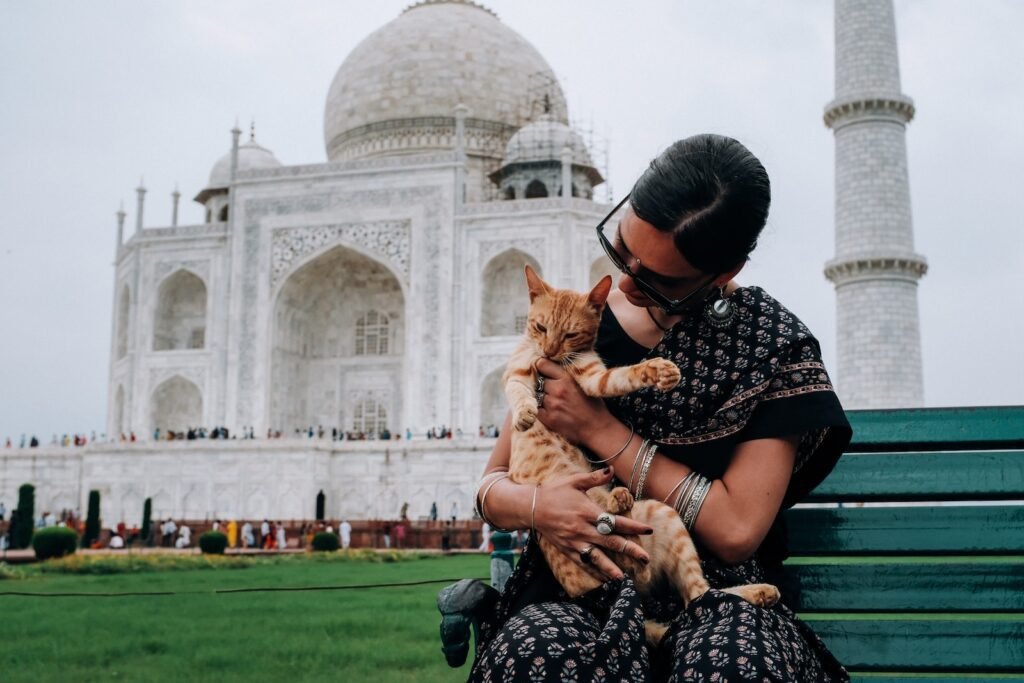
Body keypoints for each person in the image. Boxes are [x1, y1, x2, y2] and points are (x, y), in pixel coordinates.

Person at [470, 135, 852, 681]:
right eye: (620, 250)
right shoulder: (578, 320)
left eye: (657, 279)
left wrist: (602, 431)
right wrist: (538, 507)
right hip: (576, 580)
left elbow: (737, 527)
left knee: (737, 666)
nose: (625, 282)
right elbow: (490, 489)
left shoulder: (771, 347)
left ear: (724, 272)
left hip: (717, 592)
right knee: (539, 656)